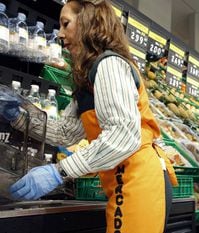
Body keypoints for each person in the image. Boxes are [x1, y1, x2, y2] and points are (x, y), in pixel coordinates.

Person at [0, 1, 172, 232]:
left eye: (66, 24)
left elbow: (122, 136)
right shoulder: (87, 78)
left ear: (88, 23)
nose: (60, 34)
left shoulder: (109, 64)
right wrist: (18, 117)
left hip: (137, 175)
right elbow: (66, 132)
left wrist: (59, 171)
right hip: (122, 177)